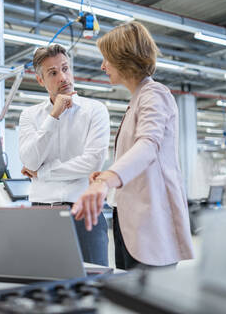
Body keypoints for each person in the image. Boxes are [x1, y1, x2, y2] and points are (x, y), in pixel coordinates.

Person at [71, 21, 195, 270]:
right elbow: (138, 156)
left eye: (106, 59)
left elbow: (148, 146)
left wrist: (107, 179)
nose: (102, 66)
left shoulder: (154, 94)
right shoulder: (138, 99)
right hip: (129, 221)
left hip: (151, 223)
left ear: (123, 58)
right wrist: (107, 174)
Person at [18, 44, 110, 266]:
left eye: (66, 69)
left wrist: (43, 172)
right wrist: (54, 115)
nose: (63, 77)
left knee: (93, 284)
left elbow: (93, 162)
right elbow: (30, 161)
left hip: (84, 211)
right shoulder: (30, 115)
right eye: (53, 73)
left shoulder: (95, 110)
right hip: (42, 213)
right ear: (41, 80)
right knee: (43, 284)